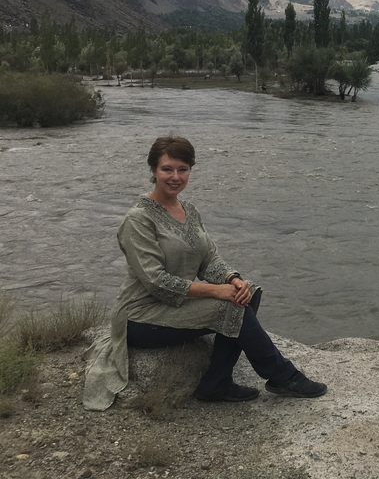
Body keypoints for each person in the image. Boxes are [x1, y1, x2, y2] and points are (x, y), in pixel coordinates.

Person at [83, 135, 326, 409]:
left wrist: (232, 280)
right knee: (231, 307)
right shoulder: (138, 219)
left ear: (190, 171)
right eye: (167, 169)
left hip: (174, 306)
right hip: (141, 315)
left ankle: (216, 382)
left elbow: (209, 259)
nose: (175, 176)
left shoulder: (189, 210)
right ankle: (283, 377)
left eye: (182, 169)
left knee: (247, 293)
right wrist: (215, 290)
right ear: (153, 170)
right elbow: (156, 282)